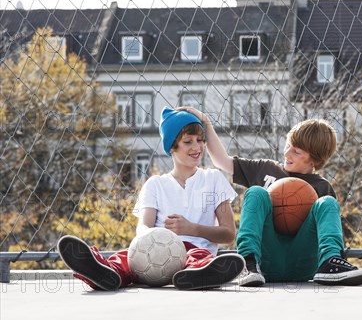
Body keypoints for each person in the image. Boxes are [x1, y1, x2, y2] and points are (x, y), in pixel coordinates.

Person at [178, 106, 362, 287]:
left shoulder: (322, 187)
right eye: (288, 145)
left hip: (303, 262)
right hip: (266, 260)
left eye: (296, 152)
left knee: (328, 203)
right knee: (255, 192)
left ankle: (331, 263)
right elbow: (222, 161)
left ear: (314, 159)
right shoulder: (267, 169)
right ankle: (247, 262)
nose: (287, 153)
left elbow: (324, 230)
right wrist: (206, 123)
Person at [57, 107, 245, 291]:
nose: (197, 147)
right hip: (155, 254)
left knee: (197, 257)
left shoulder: (213, 179)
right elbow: (143, 227)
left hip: (196, 250)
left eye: (200, 140)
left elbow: (228, 234)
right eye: (188, 142)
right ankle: (105, 273)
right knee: (126, 257)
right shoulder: (155, 184)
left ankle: (199, 275)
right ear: (172, 147)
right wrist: (154, 240)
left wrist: (192, 229)